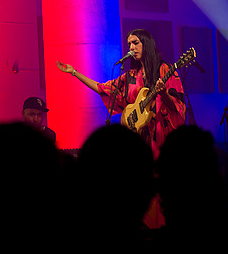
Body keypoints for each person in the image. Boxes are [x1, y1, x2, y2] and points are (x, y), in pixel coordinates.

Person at [56, 28, 186, 158]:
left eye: (135, 43)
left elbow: (177, 104)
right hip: (138, 136)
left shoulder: (164, 69)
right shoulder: (130, 76)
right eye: (129, 44)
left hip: (159, 136)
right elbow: (102, 88)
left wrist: (163, 94)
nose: (131, 47)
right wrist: (74, 72)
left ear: (146, 44)